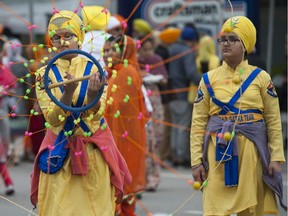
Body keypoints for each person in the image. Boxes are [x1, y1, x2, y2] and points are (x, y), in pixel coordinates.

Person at [30, 10, 131, 216]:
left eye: (68, 35)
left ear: (79, 37)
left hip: (93, 154)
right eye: (56, 37)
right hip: (60, 156)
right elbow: (51, 118)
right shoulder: (43, 74)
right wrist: (66, 95)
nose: (63, 42)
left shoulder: (95, 68)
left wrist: (94, 94)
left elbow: (97, 114)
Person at [190, 16, 287, 215]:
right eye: (223, 39)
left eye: (232, 39)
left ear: (245, 44)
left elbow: (273, 120)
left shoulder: (261, 77)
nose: (225, 43)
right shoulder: (208, 79)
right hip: (218, 150)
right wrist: (196, 161)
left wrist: (276, 157)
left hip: (252, 152)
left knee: (251, 209)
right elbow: (198, 122)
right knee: (215, 208)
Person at [103, 35, 147, 216]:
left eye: (112, 49)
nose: (107, 54)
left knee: (121, 188)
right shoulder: (112, 72)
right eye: (105, 50)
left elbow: (116, 104)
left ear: (125, 51)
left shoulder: (126, 72)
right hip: (113, 135)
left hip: (123, 137)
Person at [168, 25, 201, 167]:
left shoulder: (171, 48)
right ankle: (180, 157)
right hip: (182, 93)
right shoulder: (187, 52)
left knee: (175, 126)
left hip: (170, 94)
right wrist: (205, 83)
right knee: (182, 126)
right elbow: (191, 72)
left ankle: (175, 154)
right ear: (193, 40)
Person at [0, 39, 16, 195]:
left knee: (2, 151)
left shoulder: (4, 71)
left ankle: (9, 183)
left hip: (2, 111)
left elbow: (13, 88)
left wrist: (4, 90)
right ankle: (9, 183)